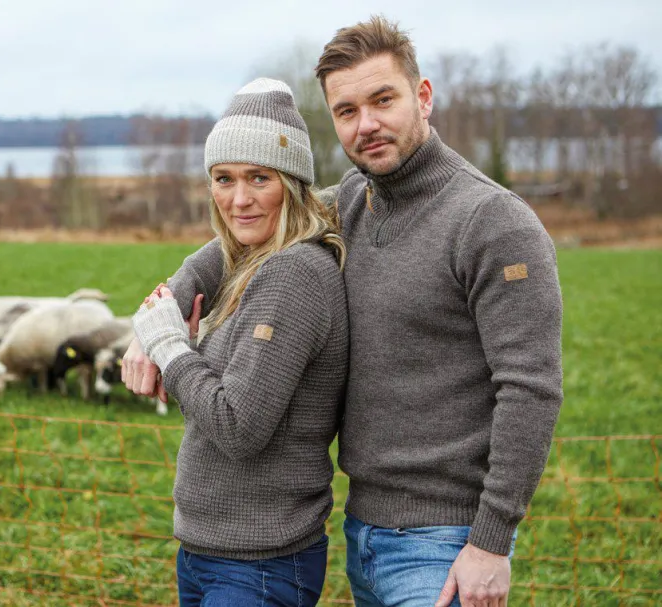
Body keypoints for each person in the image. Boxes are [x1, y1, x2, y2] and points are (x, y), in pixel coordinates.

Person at [125, 16, 564, 607]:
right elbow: (246, 232)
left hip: (447, 543)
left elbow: (531, 389)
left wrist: (491, 542)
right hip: (364, 533)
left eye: (383, 100)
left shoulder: (493, 223)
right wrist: (161, 313)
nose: (366, 124)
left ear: (423, 96)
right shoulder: (356, 200)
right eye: (346, 110)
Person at [129, 77, 348, 606]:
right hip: (209, 552)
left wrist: (169, 347)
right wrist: (165, 311)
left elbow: (237, 425)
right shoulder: (252, 259)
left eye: (259, 178)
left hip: (260, 564)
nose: (239, 199)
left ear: (292, 184)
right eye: (223, 179)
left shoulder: (293, 273)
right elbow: (216, 253)